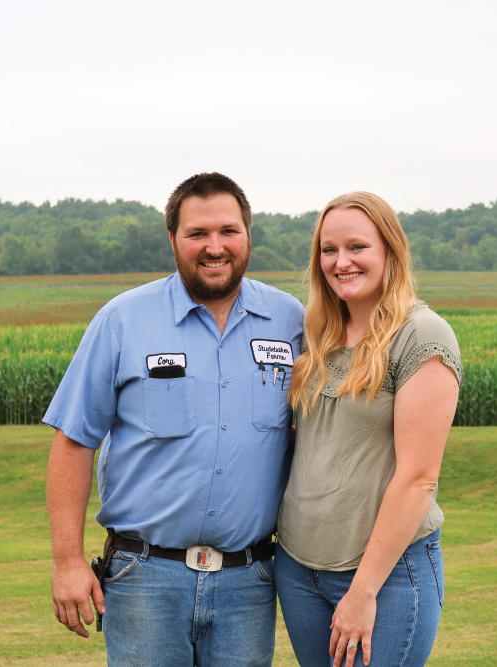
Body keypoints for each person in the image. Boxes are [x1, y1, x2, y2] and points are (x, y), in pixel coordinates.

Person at [43, 172, 304, 666]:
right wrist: (66, 562)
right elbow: (74, 441)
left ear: (248, 234)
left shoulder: (291, 321)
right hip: (145, 578)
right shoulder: (122, 320)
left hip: (249, 581)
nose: (215, 247)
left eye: (228, 231)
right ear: (173, 239)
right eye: (197, 234)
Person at [275, 192, 462, 667]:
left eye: (357, 247)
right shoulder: (316, 333)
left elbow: (419, 479)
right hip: (298, 570)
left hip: (385, 578)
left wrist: (363, 592)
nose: (341, 262)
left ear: (389, 252)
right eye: (328, 249)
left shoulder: (421, 335)